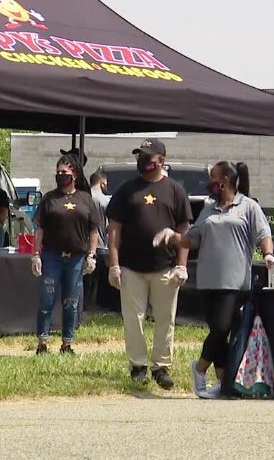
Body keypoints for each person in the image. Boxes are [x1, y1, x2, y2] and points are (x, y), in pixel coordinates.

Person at [156, 161, 274, 399]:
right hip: (208, 281)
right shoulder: (209, 209)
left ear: (224, 181)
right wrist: (172, 236)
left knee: (223, 328)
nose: (210, 182)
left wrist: (267, 255)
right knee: (219, 331)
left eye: (213, 177)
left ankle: (200, 367)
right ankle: (224, 384)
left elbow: (264, 234)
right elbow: (191, 240)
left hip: (235, 283)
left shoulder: (247, 207)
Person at [106, 138, 192, 389]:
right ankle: (138, 365)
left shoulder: (175, 190)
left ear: (161, 161)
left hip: (165, 265)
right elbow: (114, 230)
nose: (142, 162)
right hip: (132, 266)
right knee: (134, 318)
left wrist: (182, 265)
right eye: (140, 157)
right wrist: (114, 264)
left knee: (166, 318)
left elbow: (183, 230)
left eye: (147, 157)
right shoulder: (127, 189)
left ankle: (161, 367)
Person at [30, 154, 100, 355]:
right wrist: (36, 253)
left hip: (76, 257)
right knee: (47, 299)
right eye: (58, 172)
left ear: (75, 175)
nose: (61, 176)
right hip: (52, 256)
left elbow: (93, 230)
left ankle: (67, 343)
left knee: (71, 301)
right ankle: (42, 342)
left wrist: (92, 255)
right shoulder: (49, 198)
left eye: (65, 173)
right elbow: (40, 227)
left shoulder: (85, 199)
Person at [84, 172, 110, 310]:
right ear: (102, 182)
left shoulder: (84, 197)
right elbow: (109, 225)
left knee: (84, 278)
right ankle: (93, 304)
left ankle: (83, 304)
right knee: (96, 279)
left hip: (83, 243)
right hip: (98, 244)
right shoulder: (104, 200)